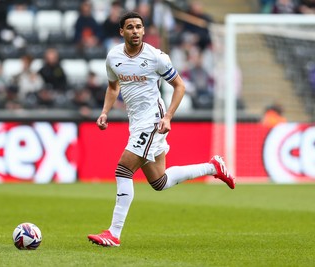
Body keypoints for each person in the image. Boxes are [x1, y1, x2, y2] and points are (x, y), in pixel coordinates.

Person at [87, 11, 235, 247]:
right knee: (159, 182)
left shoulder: (156, 57)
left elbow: (180, 86)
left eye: (139, 27)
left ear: (144, 31)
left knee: (123, 171)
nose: (135, 31)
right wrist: (105, 111)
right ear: (121, 32)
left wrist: (168, 117)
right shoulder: (113, 57)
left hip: (153, 120)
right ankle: (213, 167)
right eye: (130, 27)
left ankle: (113, 233)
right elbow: (113, 87)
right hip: (135, 121)